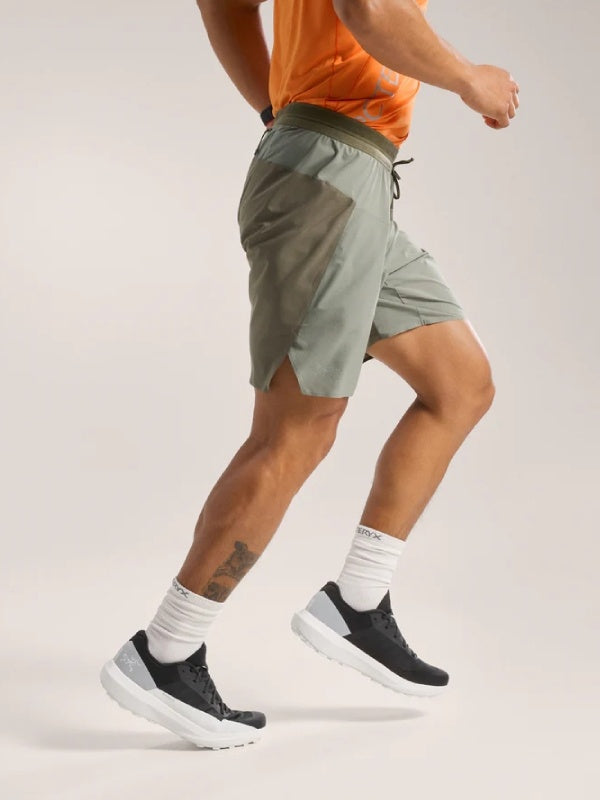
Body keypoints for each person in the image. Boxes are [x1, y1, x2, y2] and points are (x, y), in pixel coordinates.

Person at [100, 0, 519, 750]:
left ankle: (356, 602)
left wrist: (276, 107)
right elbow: (369, 9)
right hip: (327, 175)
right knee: (296, 433)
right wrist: (469, 79)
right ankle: (164, 652)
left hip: (354, 172)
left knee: (460, 385)